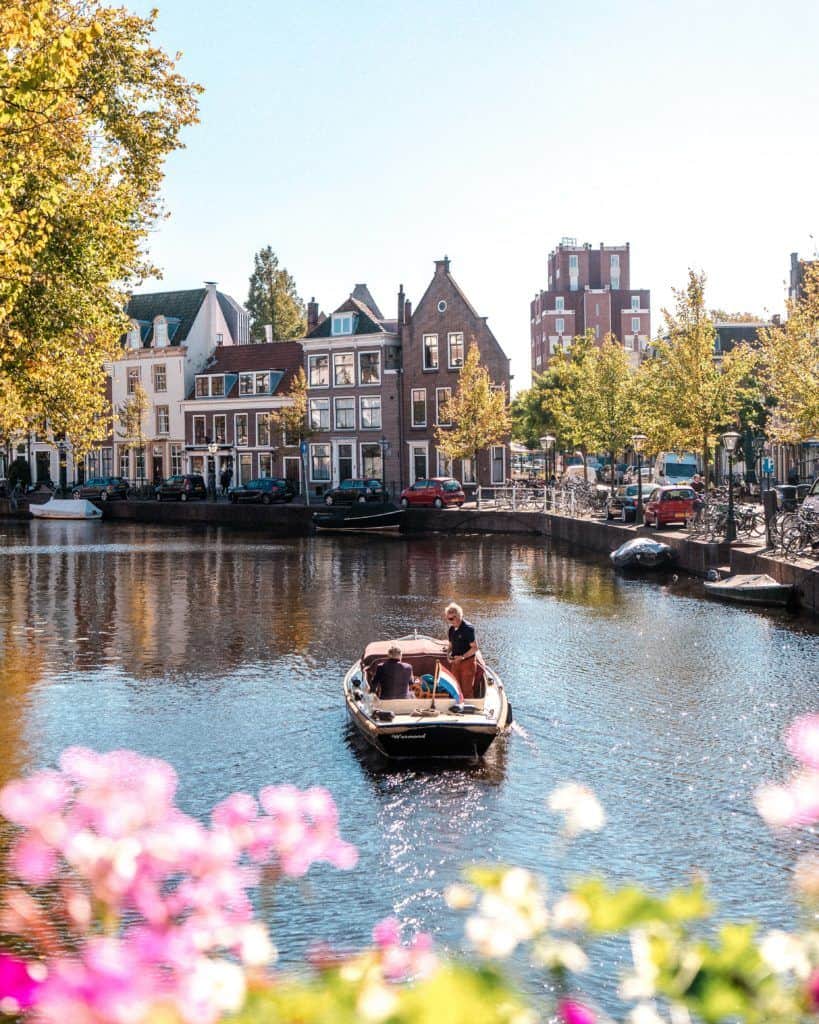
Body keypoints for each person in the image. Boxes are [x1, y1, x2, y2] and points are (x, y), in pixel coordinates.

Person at [444, 602, 478, 699]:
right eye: (448, 619)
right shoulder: (451, 629)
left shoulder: (468, 628)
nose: (450, 621)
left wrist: (462, 657)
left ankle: (469, 707)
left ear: (458, 616)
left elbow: (475, 648)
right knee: (455, 689)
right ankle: (456, 706)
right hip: (455, 663)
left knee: (466, 690)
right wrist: (448, 654)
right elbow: (451, 645)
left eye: (451, 619)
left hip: (467, 663)